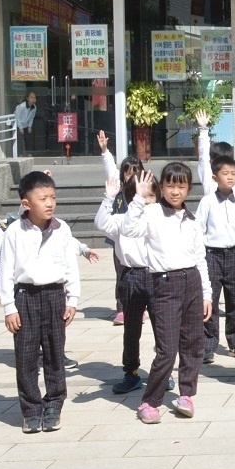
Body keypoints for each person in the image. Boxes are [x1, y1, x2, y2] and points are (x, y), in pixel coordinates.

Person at [123, 165, 213, 424]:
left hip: (192, 282)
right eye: (170, 186)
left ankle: (186, 394)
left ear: (188, 189)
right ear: (161, 187)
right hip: (164, 283)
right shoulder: (150, 212)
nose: (176, 191)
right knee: (167, 348)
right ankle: (150, 401)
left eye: (181, 186)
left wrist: (206, 293)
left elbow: (200, 259)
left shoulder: (192, 219)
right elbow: (128, 230)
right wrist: (139, 198)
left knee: (193, 344)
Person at [0, 171, 80, 433]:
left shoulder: (62, 229)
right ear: (26, 203)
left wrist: (72, 299)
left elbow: (70, 267)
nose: (49, 203)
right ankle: (31, 410)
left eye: (53, 198)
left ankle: (54, 405)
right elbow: (6, 272)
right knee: (26, 357)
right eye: (42, 198)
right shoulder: (14, 232)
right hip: (25, 298)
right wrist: (9, 308)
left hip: (55, 296)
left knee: (55, 355)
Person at [95, 138, 165, 396]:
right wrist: (108, 198)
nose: (146, 201)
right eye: (140, 197)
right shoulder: (122, 220)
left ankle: (162, 372)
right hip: (132, 277)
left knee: (162, 328)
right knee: (132, 329)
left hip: (157, 276)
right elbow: (101, 222)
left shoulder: (160, 217)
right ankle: (132, 373)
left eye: (150, 196)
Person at [194, 118, 235, 364]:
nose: (229, 178)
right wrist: (204, 131)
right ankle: (208, 345)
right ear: (215, 176)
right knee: (210, 300)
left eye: (233, 174)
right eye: (224, 174)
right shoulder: (207, 200)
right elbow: (197, 230)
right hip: (211, 256)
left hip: (234, 254)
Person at [96, 130, 143, 326]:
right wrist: (105, 151)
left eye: (135, 170)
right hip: (119, 240)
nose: (132, 175)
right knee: (121, 274)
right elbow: (110, 169)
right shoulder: (118, 186)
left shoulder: (145, 189)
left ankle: (141, 307)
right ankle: (122, 309)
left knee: (141, 275)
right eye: (128, 171)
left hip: (140, 240)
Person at [14, 91, 37, 157]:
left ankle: (29, 153)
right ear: (27, 98)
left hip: (26, 124)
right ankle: (20, 154)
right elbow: (17, 117)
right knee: (19, 140)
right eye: (31, 97)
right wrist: (20, 127)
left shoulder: (34, 107)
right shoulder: (21, 106)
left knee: (28, 139)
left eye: (34, 98)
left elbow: (32, 117)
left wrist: (30, 126)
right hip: (17, 124)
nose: (33, 99)